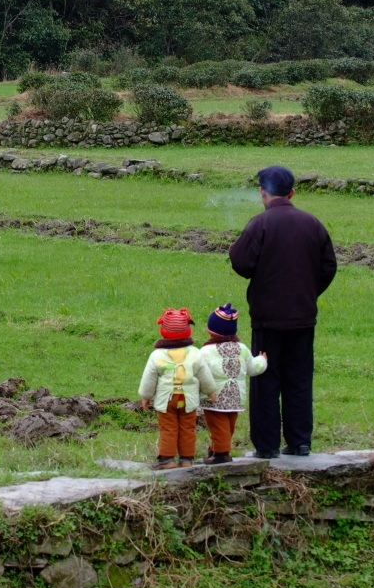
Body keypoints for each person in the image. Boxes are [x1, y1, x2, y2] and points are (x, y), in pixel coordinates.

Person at [229, 165, 337, 459]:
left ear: (263, 192)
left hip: (268, 318)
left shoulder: (260, 224)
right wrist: (308, 291)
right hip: (303, 317)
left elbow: (240, 263)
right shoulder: (312, 224)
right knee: (299, 379)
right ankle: (300, 442)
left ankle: (266, 446)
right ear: (292, 193)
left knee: (265, 379)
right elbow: (328, 266)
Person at [139, 308, 217, 470]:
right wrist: (210, 391)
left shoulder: (157, 355)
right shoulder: (195, 353)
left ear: (163, 331)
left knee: (168, 428)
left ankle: (167, 459)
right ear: (188, 331)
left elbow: (149, 378)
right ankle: (186, 459)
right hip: (188, 400)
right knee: (188, 428)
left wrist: (146, 396)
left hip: (167, 400)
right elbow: (205, 375)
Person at [198, 303, 268, 464]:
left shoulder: (205, 351)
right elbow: (252, 368)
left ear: (211, 330)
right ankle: (216, 449)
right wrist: (262, 361)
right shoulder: (242, 348)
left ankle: (222, 454)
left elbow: (198, 371)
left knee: (218, 426)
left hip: (214, 397)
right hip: (236, 396)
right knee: (228, 426)